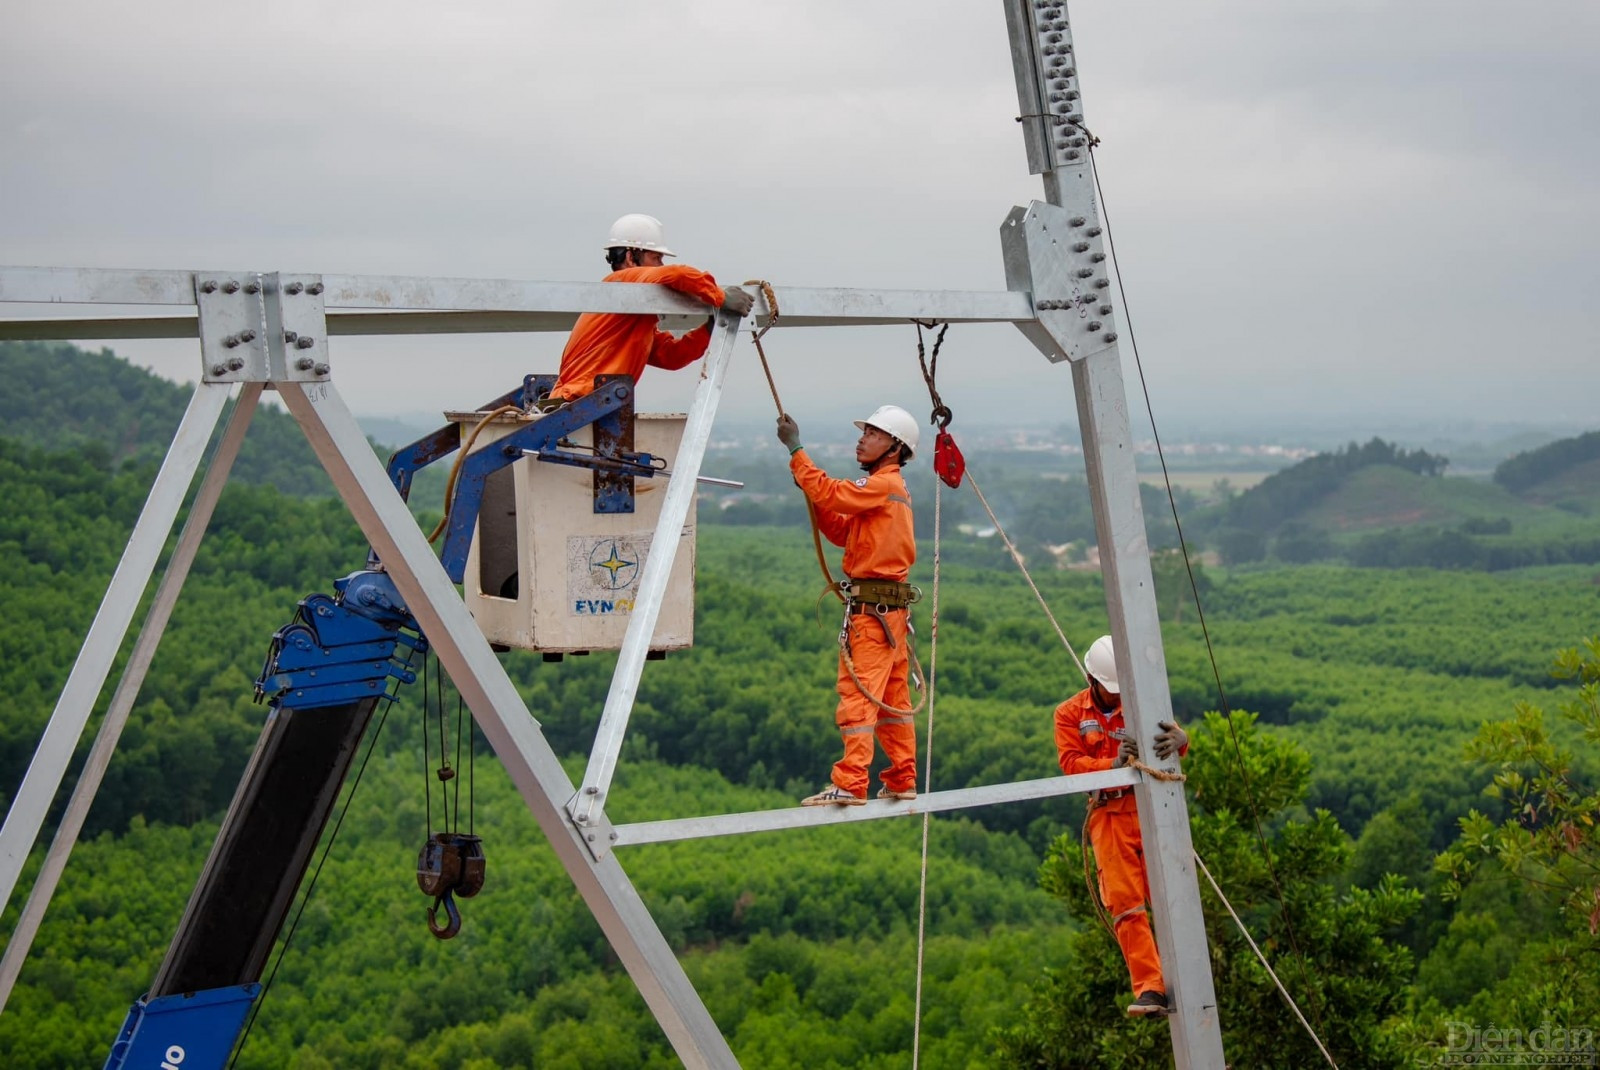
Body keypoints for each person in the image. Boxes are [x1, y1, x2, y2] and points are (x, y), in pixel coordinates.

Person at [777, 405, 922, 807]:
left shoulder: (884, 485)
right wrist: (813, 493)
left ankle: (851, 781)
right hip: (887, 613)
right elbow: (843, 530)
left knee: (859, 695)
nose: (862, 438)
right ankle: (901, 777)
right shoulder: (886, 490)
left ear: (894, 448)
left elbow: (833, 492)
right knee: (892, 700)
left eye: (873, 434)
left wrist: (796, 451)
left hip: (875, 616)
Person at [1054, 634, 1190, 1017]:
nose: (1116, 697)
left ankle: (1187, 975)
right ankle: (1151, 987)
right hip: (1109, 816)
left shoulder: (1140, 704)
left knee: (1169, 897)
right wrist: (1111, 766)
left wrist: (1183, 740)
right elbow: (1071, 766)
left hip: (1148, 811)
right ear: (1092, 679)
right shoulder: (1069, 714)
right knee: (1126, 905)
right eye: (1110, 690)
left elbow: (1170, 740)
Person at [547, 213, 754, 403]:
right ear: (630, 258)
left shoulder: (629, 316)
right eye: (656, 258)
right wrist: (721, 296)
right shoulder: (622, 281)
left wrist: (710, 327)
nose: (660, 265)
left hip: (583, 403)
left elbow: (670, 356)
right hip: (579, 401)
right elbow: (678, 275)